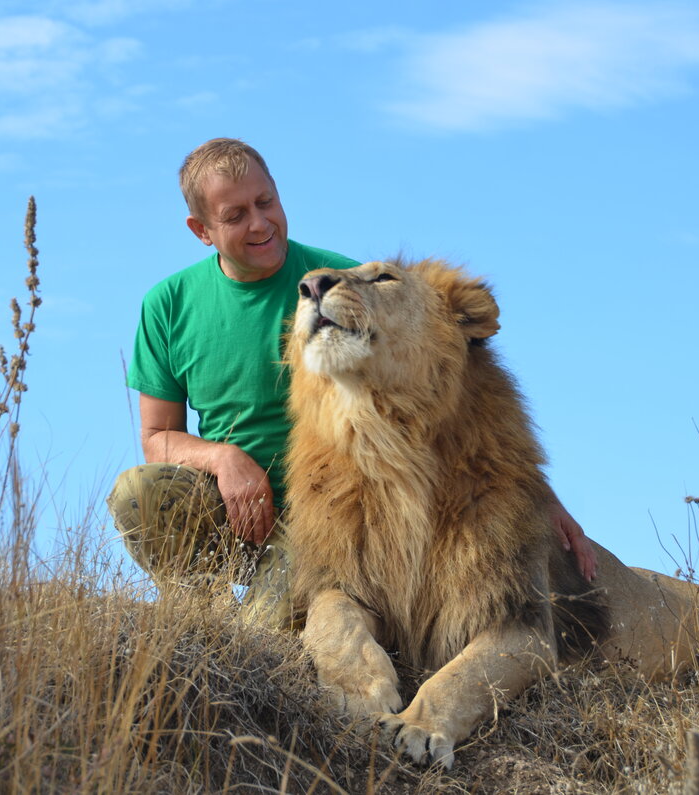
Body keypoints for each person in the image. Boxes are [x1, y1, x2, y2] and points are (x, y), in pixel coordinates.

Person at [108, 138, 596, 630]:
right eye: (234, 216)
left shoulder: (344, 286)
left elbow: (457, 398)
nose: (260, 224)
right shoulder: (167, 304)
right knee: (138, 493)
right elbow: (156, 438)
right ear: (202, 230)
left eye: (266, 203)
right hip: (231, 501)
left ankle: (253, 626)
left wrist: (538, 499)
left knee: (255, 640)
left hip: (326, 517)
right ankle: (196, 616)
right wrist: (224, 458)